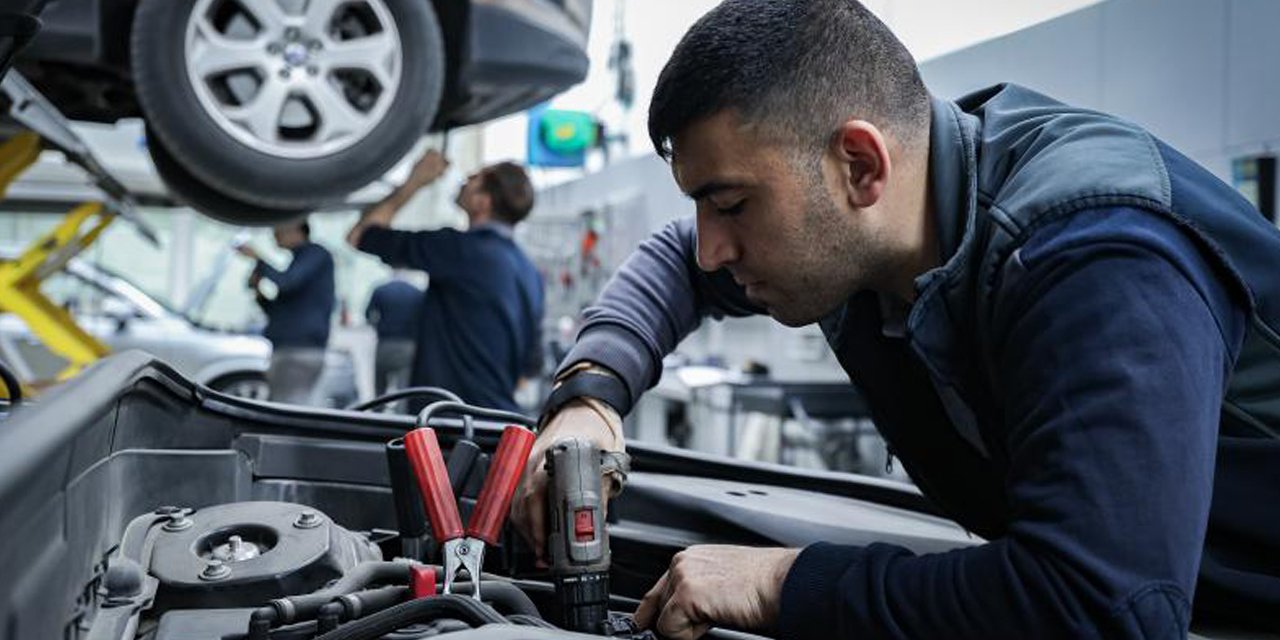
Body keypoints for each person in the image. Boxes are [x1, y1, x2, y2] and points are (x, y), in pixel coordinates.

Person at [510, 0, 1280, 638]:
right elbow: (676, 263)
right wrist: (588, 401)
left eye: (732, 204)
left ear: (860, 165)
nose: (713, 248)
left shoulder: (1096, 253)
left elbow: (1107, 607)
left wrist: (787, 583)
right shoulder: (875, 231)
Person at [347, 150, 544, 413]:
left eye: (471, 179)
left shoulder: (459, 250)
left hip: (446, 425)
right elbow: (531, 366)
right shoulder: (529, 271)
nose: (463, 182)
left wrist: (414, 181)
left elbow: (360, 235)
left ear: (482, 202)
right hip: (496, 424)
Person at [238, 220, 335, 405]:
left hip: (300, 350)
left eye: (278, 230)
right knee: (284, 406)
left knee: (288, 410)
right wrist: (258, 291)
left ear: (296, 228)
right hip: (288, 349)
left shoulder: (315, 254)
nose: (274, 236)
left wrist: (259, 260)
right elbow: (278, 311)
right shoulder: (299, 262)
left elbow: (287, 282)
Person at [366, 275, 423, 397]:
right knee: (404, 391)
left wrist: (379, 327)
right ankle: (401, 415)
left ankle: (377, 414)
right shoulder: (417, 293)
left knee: (379, 389)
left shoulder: (381, 290)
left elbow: (369, 316)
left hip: (385, 343)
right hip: (408, 346)